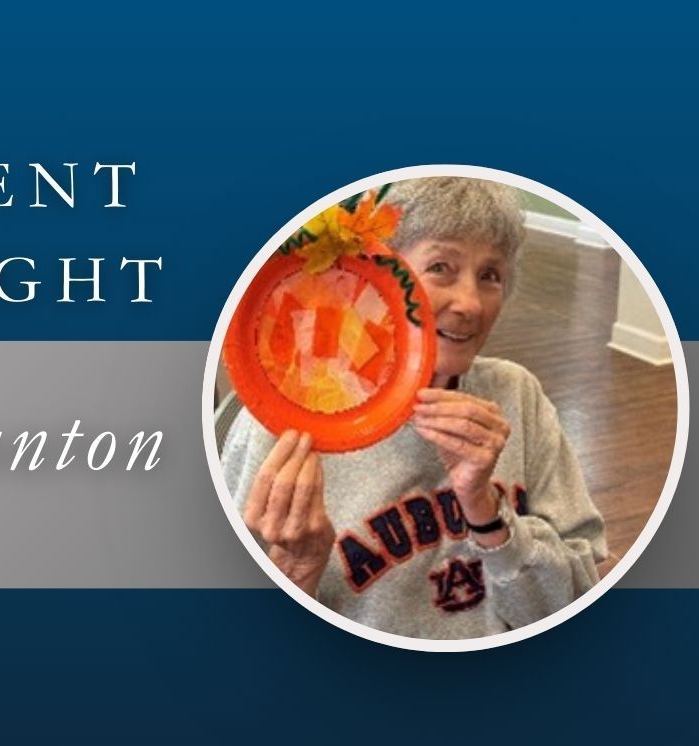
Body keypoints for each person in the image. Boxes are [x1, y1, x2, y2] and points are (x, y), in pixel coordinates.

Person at [221, 177, 607, 640]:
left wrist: (489, 516)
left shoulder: (517, 395)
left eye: (490, 275)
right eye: (441, 267)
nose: (469, 304)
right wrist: (296, 571)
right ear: (379, 277)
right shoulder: (284, 425)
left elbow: (574, 602)